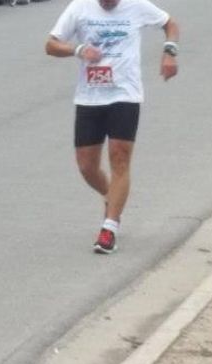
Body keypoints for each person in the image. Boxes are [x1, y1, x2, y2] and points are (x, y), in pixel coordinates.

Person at [45, 0, 178, 254]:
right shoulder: (79, 7)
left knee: (119, 158)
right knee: (87, 166)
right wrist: (78, 49)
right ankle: (112, 196)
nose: (107, 3)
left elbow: (170, 24)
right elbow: (50, 44)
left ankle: (109, 227)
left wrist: (170, 52)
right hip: (89, 97)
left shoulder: (136, 5)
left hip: (125, 95)